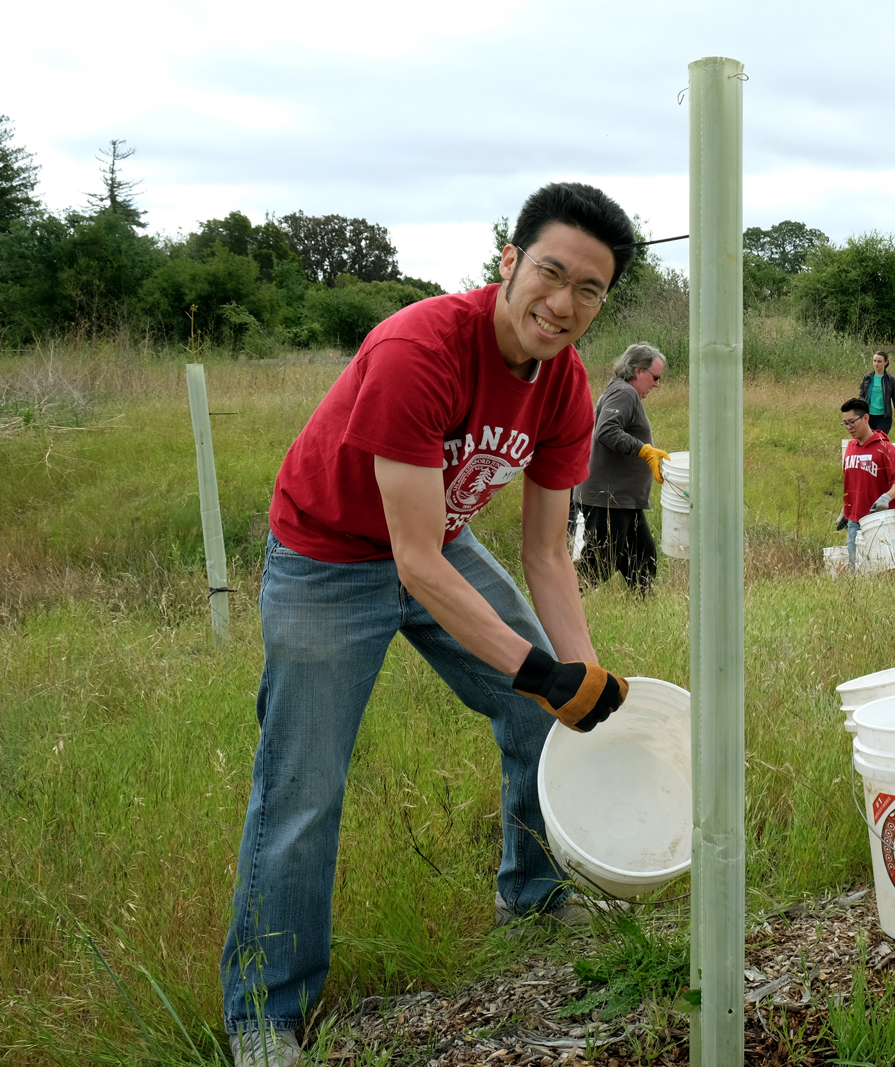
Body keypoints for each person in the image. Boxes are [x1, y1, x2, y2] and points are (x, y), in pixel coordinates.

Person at [221, 183, 636, 1067]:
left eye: (590, 289)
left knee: (542, 717)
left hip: (437, 543)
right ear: (508, 263)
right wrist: (537, 667)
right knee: (305, 785)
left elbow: (548, 556)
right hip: (329, 555)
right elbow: (409, 561)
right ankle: (263, 1012)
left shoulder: (564, 386)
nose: (562, 304)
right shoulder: (421, 349)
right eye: (551, 272)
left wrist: (581, 673)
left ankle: (534, 902)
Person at [575, 343, 669, 594]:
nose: (657, 384)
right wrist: (644, 450)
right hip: (609, 499)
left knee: (643, 559)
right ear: (638, 371)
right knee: (599, 565)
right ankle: (554, 610)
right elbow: (606, 430)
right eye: (655, 377)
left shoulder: (621, 391)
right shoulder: (624, 393)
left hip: (623, 500)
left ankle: (643, 610)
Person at [839, 397, 895, 571]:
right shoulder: (850, 448)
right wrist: (845, 510)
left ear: (865, 418)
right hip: (854, 522)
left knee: (884, 569)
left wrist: (887, 497)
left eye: (852, 422)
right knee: (857, 571)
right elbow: (852, 482)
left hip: (879, 521)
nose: (849, 427)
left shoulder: (884, 448)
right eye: (845, 423)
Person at [858, 350, 895, 435]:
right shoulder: (867, 378)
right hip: (868, 416)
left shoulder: (890, 380)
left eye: (879, 361)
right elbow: (861, 398)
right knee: (867, 442)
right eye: (874, 361)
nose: (876, 364)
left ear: (886, 363)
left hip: (884, 418)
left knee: (879, 441)